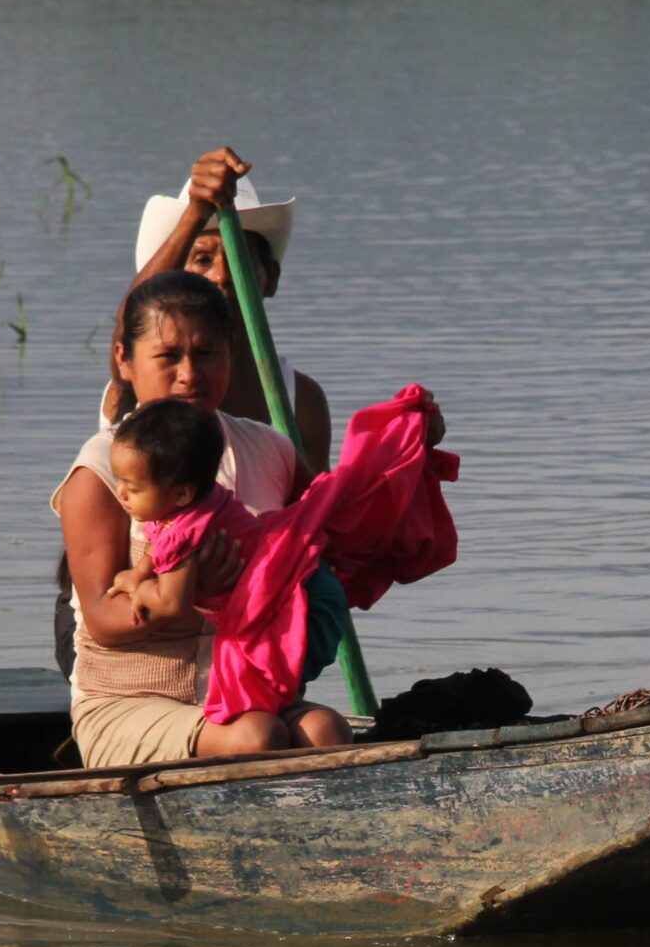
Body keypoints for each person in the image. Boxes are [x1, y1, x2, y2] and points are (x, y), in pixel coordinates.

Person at [51, 271, 356, 765]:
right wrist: (186, 595)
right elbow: (105, 624)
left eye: (208, 354)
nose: (190, 373)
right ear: (125, 362)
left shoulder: (270, 449)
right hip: (131, 702)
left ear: (231, 358)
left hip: (242, 693)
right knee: (257, 738)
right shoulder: (103, 467)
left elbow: (336, 531)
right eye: (168, 356)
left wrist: (409, 441)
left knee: (327, 729)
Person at [105, 392, 458, 727]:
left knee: (260, 691)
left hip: (301, 608)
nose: (119, 493)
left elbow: (171, 603)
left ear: (181, 493)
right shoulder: (199, 500)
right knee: (262, 690)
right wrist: (138, 571)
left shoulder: (184, 534)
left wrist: (140, 589)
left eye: (132, 488)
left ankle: (281, 718)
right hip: (306, 583)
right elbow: (156, 544)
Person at [110, 146, 332, 470]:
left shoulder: (302, 402)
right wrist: (195, 214)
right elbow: (131, 324)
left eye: (240, 259)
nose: (222, 277)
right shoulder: (139, 379)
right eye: (202, 260)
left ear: (269, 279)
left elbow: (317, 510)